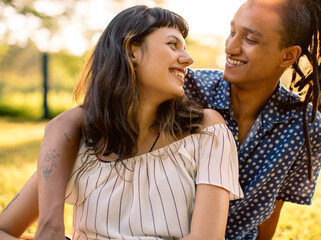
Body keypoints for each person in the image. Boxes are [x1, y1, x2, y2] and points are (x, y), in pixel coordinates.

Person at [2, 0, 321, 239]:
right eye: (232, 31)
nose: (231, 47)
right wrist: (49, 225)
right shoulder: (186, 87)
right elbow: (82, 117)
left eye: (249, 39)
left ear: (288, 55)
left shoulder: (303, 125)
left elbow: (269, 216)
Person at [0, 5, 242, 240]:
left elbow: (207, 237)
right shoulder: (83, 140)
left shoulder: (208, 131)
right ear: (131, 50)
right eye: (172, 44)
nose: (188, 59)